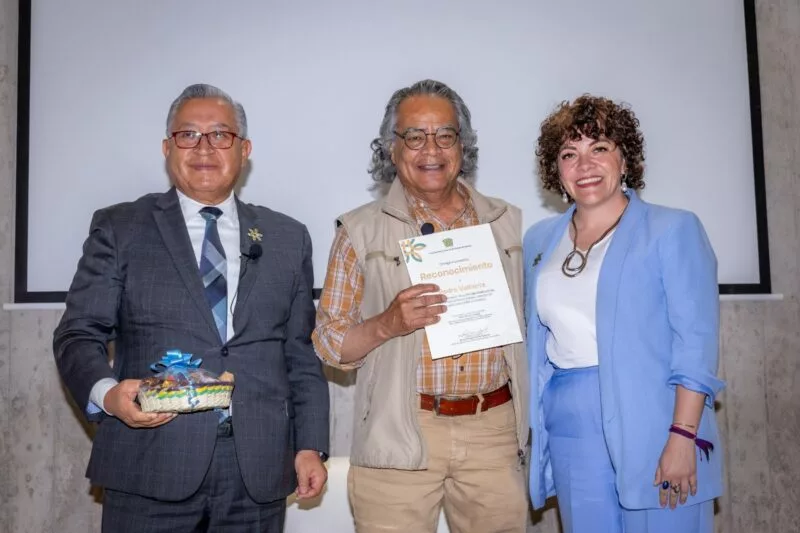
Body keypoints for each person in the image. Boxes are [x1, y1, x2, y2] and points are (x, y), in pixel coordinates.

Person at [53, 83, 330, 533]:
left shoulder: (287, 237)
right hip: (150, 462)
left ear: (245, 150)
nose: (204, 148)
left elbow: (299, 352)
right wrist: (108, 394)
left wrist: (309, 445)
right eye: (188, 135)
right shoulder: (121, 227)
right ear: (167, 148)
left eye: (221, 135)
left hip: (255, 470)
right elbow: (78, 334)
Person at [312, 79, 530, 533]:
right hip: (399, 430)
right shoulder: (359, 230)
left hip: (493, 429)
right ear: (391, 150)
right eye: (414, 136)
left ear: (462, 146)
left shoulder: (508, 223)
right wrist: (387, 324)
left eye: (445, 135)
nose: (430, 149)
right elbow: (331, 346)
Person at [523, 95, 724, 532]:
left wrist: (683, 436)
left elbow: (696, 342)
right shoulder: (539, 241)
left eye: (600, 148)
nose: (584, 165)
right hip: (569, 425)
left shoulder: (673, 229)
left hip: (657, 420)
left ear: (625, 158)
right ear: (555, 170)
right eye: (569, 154)